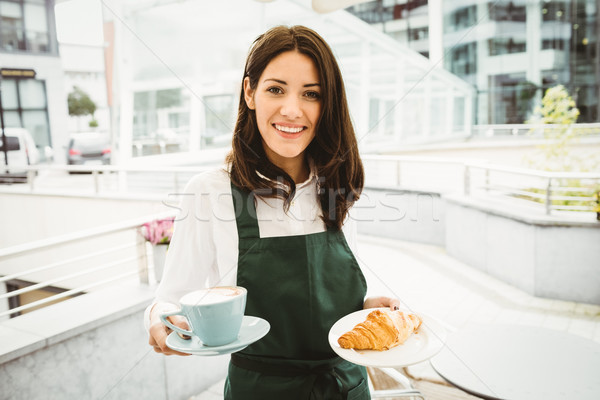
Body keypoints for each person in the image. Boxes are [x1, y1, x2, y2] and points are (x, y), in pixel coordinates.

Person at [146, 25, 400, 400]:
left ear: (327, 103)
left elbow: (333, 292)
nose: (292, 110)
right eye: (276, 89)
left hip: (345, 385)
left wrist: (364, 308)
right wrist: (160, 321)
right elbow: (169, 300)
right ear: (249, 92)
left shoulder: (336, 183)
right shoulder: (211, 190)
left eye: (311, 94)